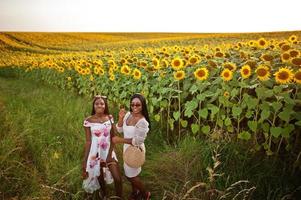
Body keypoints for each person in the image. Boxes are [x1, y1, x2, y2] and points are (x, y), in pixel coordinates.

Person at [82, 95, 123, 199]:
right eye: (97, 103)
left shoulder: (109, 118)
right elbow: (88, 142)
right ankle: (104, 195)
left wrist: (109, 154)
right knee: (100, 178)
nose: (99, 105)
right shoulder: (88, 121)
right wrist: (85, 160)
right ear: (93, 106)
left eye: (102, 103)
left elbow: (113, 138)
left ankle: (119, 197)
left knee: (117, 179)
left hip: (108, 151)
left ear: (105, 106)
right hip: (95, 153)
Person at [113, 93, 151, 200]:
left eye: (138, 105)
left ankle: (145, 193)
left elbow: (137, 141)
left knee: (131, 175)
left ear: (143, 105)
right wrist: (120, 118)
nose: (134, 107)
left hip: (136, 150)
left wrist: (120, 140)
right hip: (127, 149)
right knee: (133, 172)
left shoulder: (142, 122)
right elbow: (119, 129)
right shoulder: (128, 114)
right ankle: (135, 192)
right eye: (132, 104)